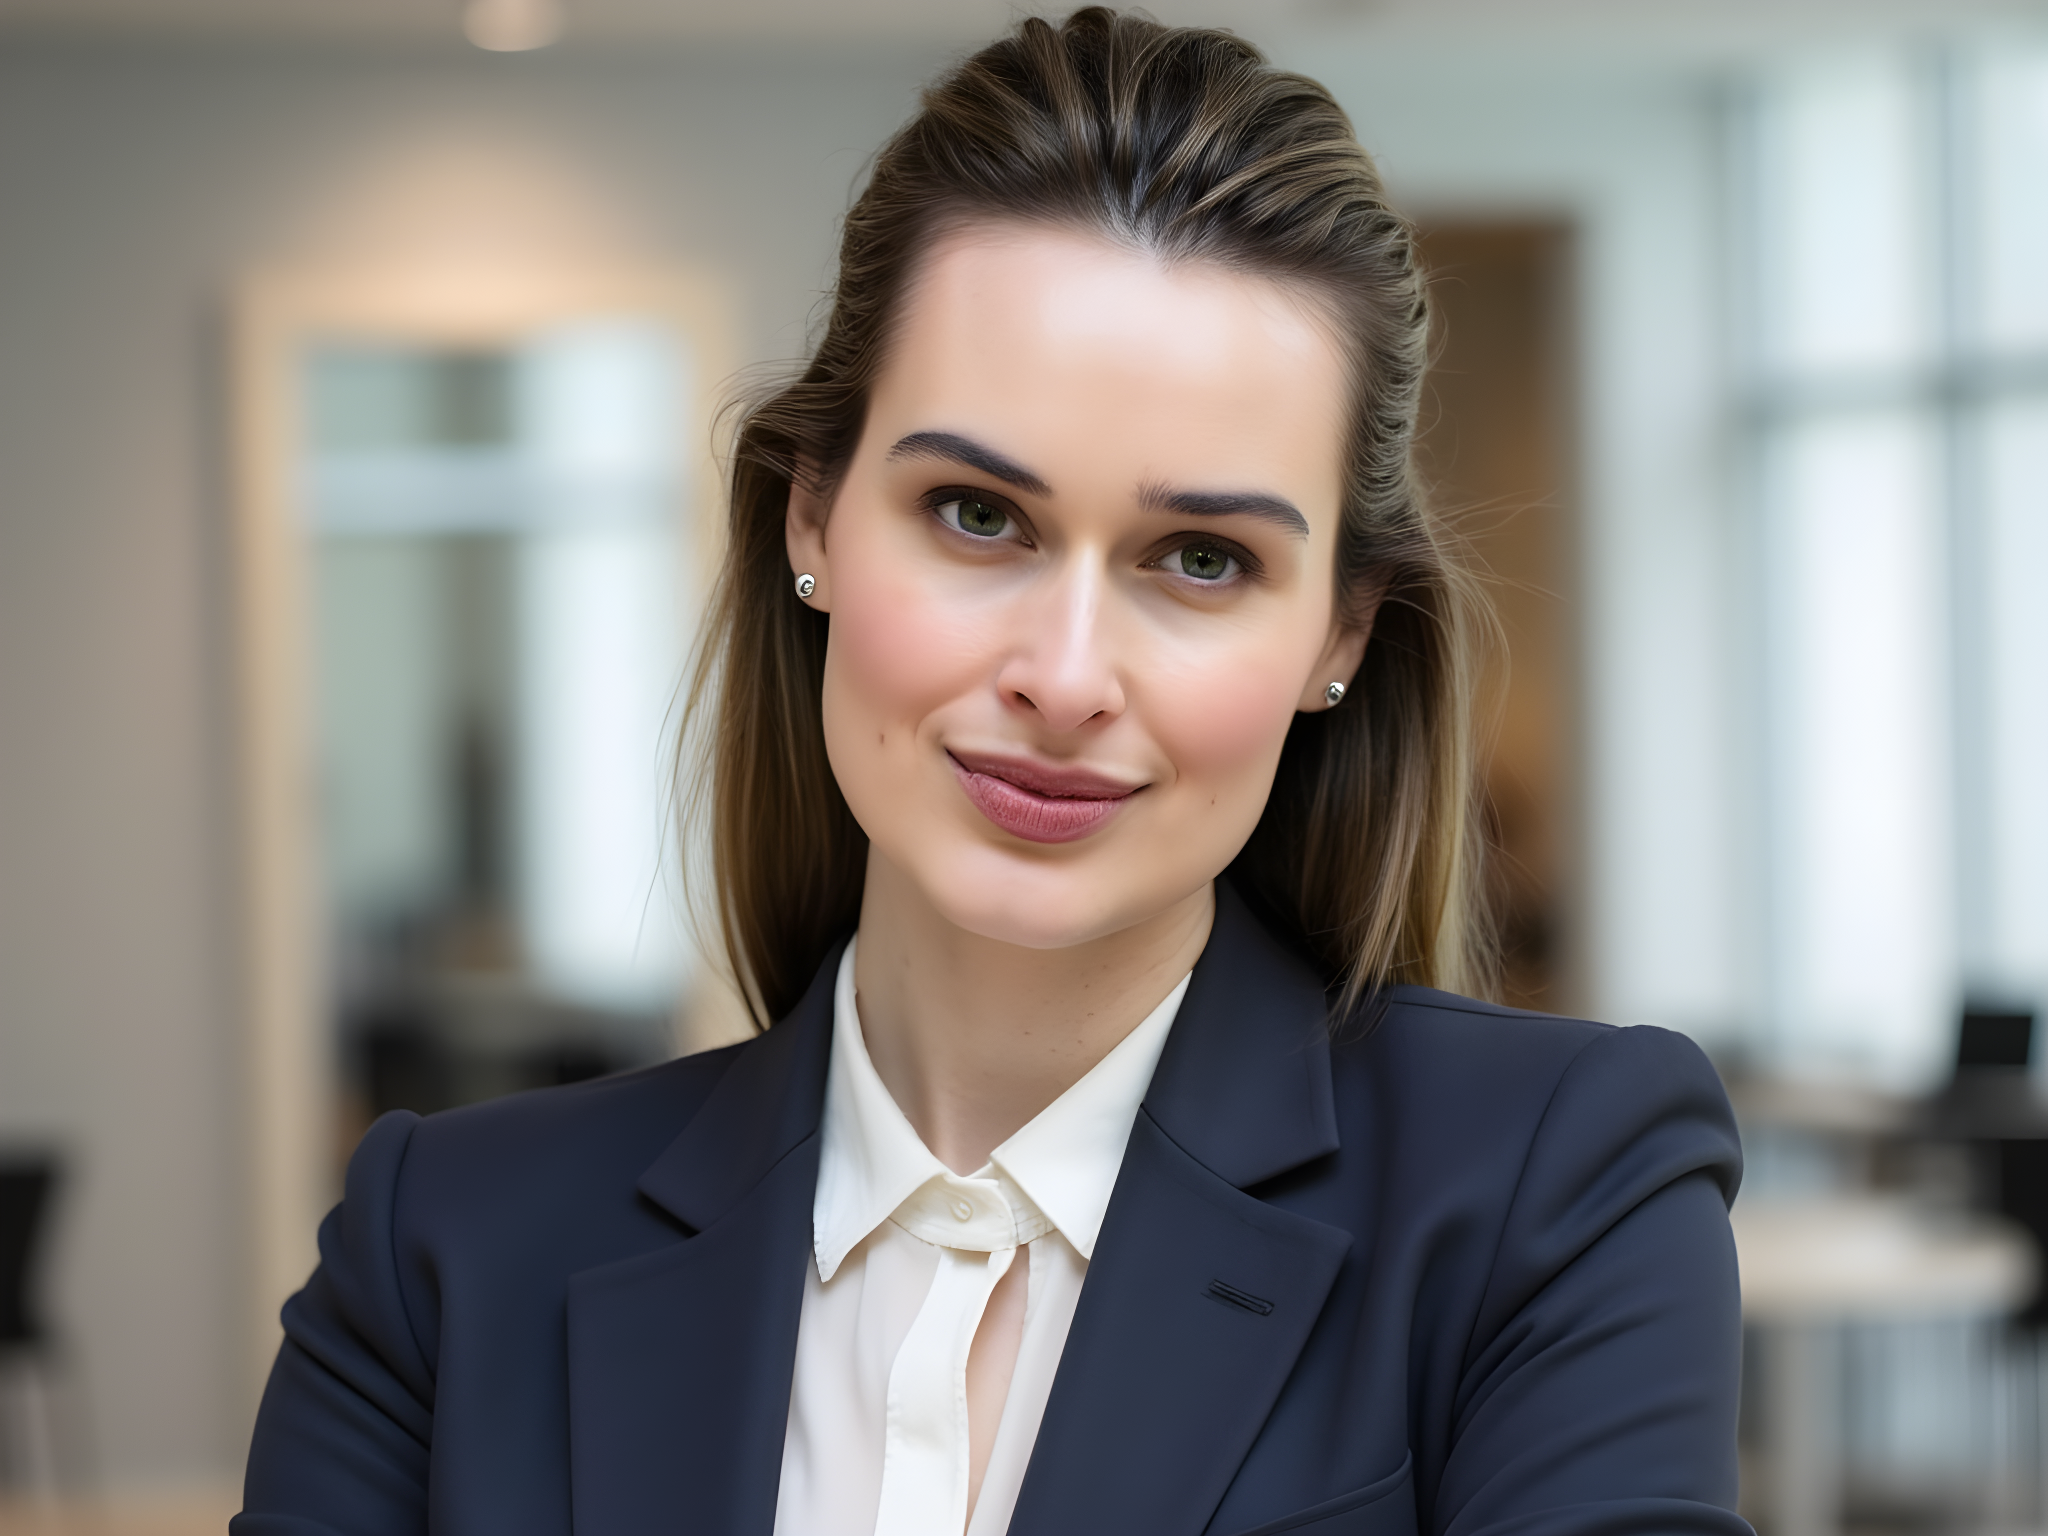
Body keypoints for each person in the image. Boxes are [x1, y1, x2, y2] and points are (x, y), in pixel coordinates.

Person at [235, 11, 1747, 1536]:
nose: (1066, 673)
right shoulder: (446, 1250)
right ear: (812, 520)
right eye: (976, 515)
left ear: (1338, 632)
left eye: (1203, 558)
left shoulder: (1555, 1201)